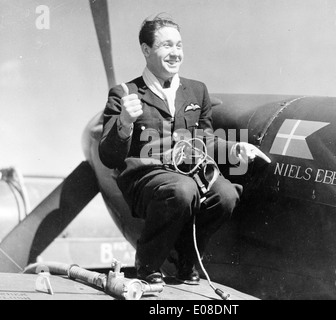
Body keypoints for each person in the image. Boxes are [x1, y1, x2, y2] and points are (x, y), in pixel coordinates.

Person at [99, 15, 271, 285]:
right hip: (146, 177)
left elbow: (205, 139)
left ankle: (184, 259)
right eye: (167, 46)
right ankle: (148, 263)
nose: (176, 53)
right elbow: (108, 156)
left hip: (189, 172)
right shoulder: (124, 93)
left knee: (226, 195)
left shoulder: (197, 91)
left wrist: (235, 148)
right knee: (182, 190)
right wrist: (123, 123)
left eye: (179, 45)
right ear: (146, 50)